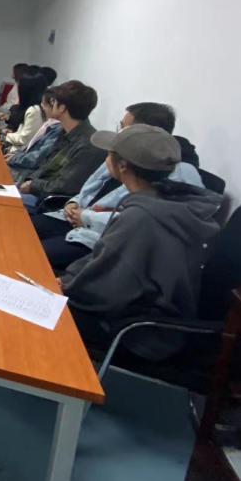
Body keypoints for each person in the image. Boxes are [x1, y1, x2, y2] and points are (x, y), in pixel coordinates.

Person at [60, 125, 221, 360]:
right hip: (146, 307)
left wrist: (66, 286)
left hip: (137, 328)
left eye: (109, 155)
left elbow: (106, 289)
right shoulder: (170, 200)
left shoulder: (141, 218)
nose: (106, 159)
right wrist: (69, 280)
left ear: (123, 166)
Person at [34, 102, 206, 268]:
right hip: (76, 219)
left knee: (33, 255)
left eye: (124, 128)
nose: (119, 132)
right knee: (25, 231)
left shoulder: (168, 174)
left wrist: (86, 217)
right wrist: (74, 203)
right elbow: (90, 187)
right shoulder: (119, 152)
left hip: (101, 237)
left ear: (143, 133)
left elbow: (133, 225)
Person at [18, 80, 103, 206]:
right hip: (37, 189)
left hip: (48, 202)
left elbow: (65, 186)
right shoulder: (65, 132)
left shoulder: (88, 145)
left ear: (62, 108)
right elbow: (45, 166)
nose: (49, 104)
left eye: (53, 101)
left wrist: (33, 185)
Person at [7, 89, 62, 181]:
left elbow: (37, 158)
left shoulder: (57, 130)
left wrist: (14, 158)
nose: (42, 107)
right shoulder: (50, 124)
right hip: (21, 162)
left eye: (44, 104)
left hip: (25, 173)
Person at [2, 69, 47, 153]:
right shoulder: (35, 107)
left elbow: (24, 139)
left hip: (17, 153)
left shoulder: (34, 110)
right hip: (16, 149)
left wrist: (6, 135)